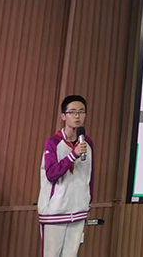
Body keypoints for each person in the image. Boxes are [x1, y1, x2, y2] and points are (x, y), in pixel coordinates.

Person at [38, 95, 93, 257]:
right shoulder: (53, 143)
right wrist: (73, 155)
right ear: (63, 116)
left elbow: (90, 177)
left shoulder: (88, 144)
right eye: (72, 112)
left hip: (79, 211)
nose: (77, 116)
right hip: (55, 211)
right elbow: (51, 174)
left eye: (81, 112)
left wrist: (88, 203)